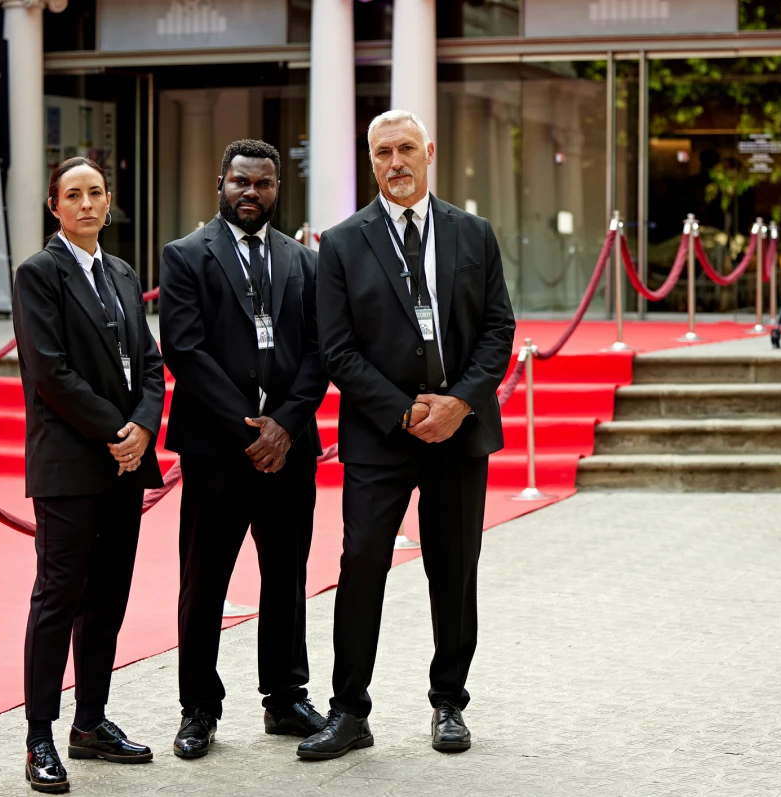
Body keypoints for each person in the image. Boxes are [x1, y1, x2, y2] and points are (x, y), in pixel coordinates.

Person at [299, 110, 515, 760]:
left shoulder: (473, 233)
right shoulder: (340, 243)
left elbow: (498, 329)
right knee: (362, 564)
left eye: (406, 149)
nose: (396, 161)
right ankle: (348, 710)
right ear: (372, 161)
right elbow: (336, 349)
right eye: (383, 152)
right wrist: (403, 411)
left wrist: (457, 403)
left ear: (430, 153)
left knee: (454, 568)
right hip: (377, 437)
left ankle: (449, 702)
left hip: (460, 431)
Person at [159, 139, 330, 759]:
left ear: (277, 188)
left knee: (287, 575)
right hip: (215, 448)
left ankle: (285, 698)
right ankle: (198, 708)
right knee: (205, 581)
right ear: (221, 184)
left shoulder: (305, 262)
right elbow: (184, 348)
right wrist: (249, 428)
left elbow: (321, 351)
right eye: (240, 182)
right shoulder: (184, 256)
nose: (250, 193)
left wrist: (284, 424)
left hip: (290, 449)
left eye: (262, 183)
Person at [12, 157, 165, 793]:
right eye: (72, 195)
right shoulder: (39, 274)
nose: (85, 204)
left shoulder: (125, 273)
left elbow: (151, 365)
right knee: (58, 599)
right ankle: (39, 737)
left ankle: (91, 723)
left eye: (95, 193)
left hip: (124, 464)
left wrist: (142, 428)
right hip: (71, 464)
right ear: (55, 206)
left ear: (109, 202)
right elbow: (50, 374)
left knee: (108, 599)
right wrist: (116, 431)